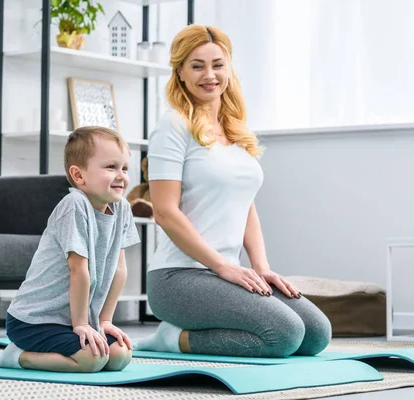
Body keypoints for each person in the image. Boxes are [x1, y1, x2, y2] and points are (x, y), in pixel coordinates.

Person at [134, 25, 332, 358]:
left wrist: (261, 266)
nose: (209, 75)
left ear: (229, 68)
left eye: (217, 64)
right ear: (180, 72)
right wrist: (223, 267)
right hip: (178, 276)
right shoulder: (172, 125)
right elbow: (165, 211)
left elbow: (246, 205)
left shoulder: (235, 130)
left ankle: (191, 329)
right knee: (284, 335)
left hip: (227, 274)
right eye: (197, 66)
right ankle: (172, 338)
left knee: (315, 334)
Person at [0, 126, 140, 372]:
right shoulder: (74, 205)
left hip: (73, 320)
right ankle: (17, 356)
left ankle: (80, 335)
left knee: (119, 356)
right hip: (34, 320)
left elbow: (119, 269)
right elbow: (78, 271)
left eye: (124, 168)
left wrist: (105, 321)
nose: (121, 175)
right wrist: (81, 324)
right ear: (79, 175)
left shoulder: (122, 207)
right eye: (111, 167)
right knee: (92, 360)